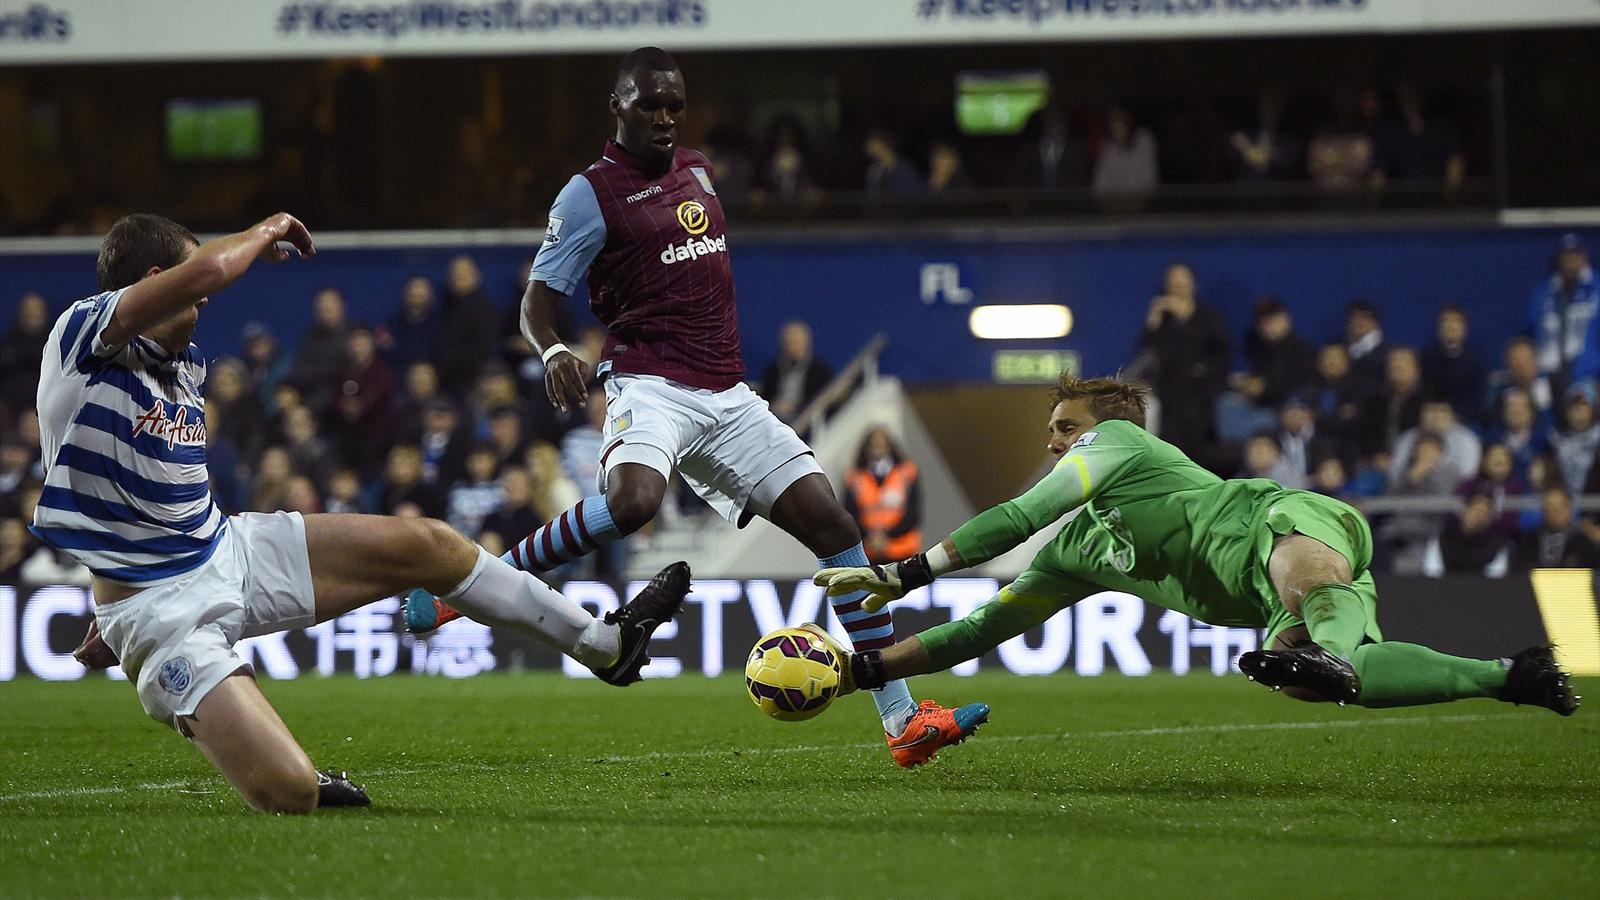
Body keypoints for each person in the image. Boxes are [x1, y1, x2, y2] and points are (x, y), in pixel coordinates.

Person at [412, 47, 986, 768]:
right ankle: (469, 587)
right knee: (633, 502)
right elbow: (536, 302)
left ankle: (901, 721)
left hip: (729, 393)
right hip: (650, 384)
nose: (663, 117)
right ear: (616, 105)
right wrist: (554, 351)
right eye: (649, 104)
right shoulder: (588, 194)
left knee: (836, 527)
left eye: (674, 106)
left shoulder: (699, 168)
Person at [39, 212, 692, 814]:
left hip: (226, 550)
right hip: (160, 612)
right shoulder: (81, 333)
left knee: (430, 545)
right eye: (189, 276)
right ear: (158, 281)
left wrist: (111, 583)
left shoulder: (179, 362)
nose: (207, 294)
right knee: (290, 793)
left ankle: (606, 645)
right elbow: (211, 269)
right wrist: (267, 229)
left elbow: (139, 491)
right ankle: (273, 755)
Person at [813, 374, 1577, 719]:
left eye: (1065, 429)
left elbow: (1019, 514)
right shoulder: (1076, 555)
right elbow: (980, 629)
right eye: (1051, 434)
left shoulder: (1120, 439)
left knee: (1303, 584)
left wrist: (909, 571)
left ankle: (1332, 649)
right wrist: (863, 671)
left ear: (1106, 427)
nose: (1055, 445)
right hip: (1268, 596)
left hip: (1286, 521)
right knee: (1323, 678)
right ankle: (1510, 676)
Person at [1527, 233, 1599, 400]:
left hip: (1589, 373)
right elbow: (1527, 333)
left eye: (1575, 255)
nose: (1571, 261)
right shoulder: (1543, 293)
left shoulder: (1597, 287)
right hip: (1549, 374)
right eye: (1566, 256)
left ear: (1584, 257)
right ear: (1559, 259)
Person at [842, 427, 922, 565]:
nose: (878, 448)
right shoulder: (854, 477)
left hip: (902, 550)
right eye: (874, 444)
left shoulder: (907, 473)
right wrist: (869, 536)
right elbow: (849, 513)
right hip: (868, 552)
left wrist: (887, 536)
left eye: (882, 444)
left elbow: (913, 513)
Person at [758, 319, 833, 425]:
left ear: (807, 342)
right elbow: (765, 395)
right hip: (774, 418)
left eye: (796, 342)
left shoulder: (821, 372)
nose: (793, 346)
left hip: (805, 421)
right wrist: (774, 405)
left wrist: (796, 408)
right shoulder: (774, 369)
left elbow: (822, 402)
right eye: (789, 342)